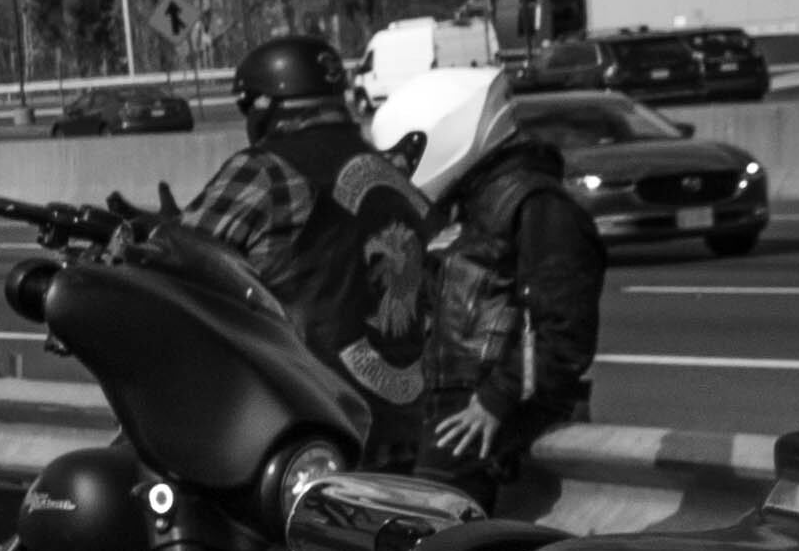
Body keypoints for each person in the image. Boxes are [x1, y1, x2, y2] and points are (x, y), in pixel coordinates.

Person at [191, 32, 433, 435]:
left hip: (304, 417)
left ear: (264, 105)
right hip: (404, 415)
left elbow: (182, 256)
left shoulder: (266, 171)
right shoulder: (394, 172)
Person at [420, 100, 608, 506]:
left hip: (494, 407)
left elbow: (563, 329)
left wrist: (496, 399)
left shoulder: (540, 207)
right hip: (462, 402)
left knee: (434, 529)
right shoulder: (472, 203)